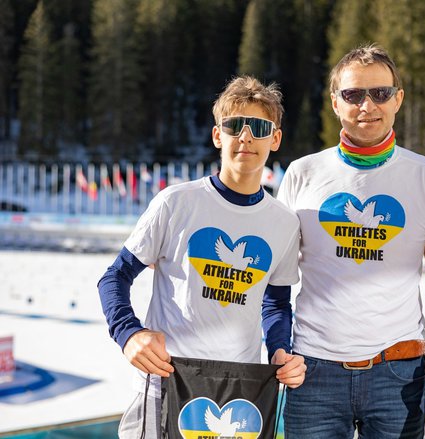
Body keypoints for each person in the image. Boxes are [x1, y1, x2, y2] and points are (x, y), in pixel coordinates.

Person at [98, 76, 306, 438]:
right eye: (234, 126)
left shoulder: (284, 223)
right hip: (166, 381)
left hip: (239, 390)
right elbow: (114, 278)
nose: (245, 137)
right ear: (217, 136)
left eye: (258, 127)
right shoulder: (176, 203)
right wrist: (129, 334)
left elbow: (275, 304)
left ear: (275, 139)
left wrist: (280, 351)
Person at [277, 44, 425, 438]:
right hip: (313, 371)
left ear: (398, 100)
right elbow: (274, 280)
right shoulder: (302, 173)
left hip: (398, 373)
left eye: (380, 93)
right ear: (336, 102)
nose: (367, 105)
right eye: (353, 94)